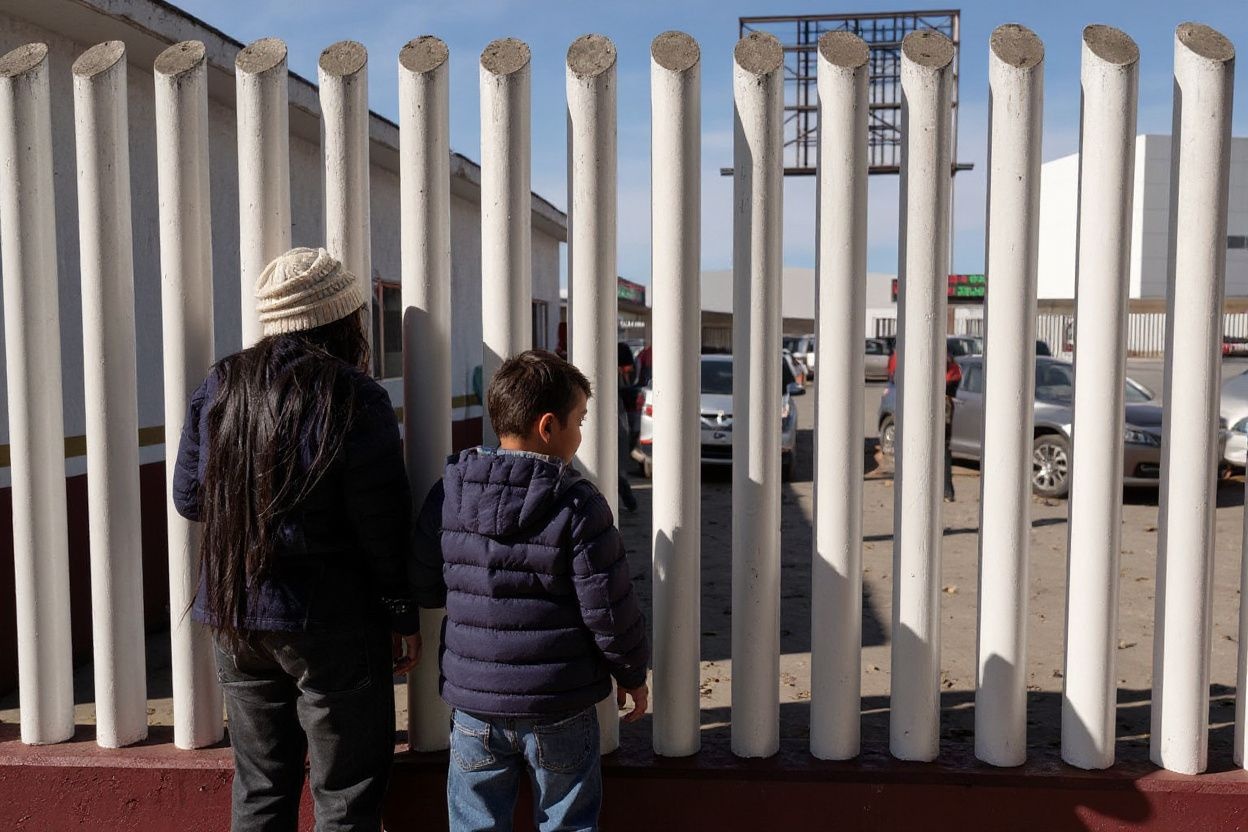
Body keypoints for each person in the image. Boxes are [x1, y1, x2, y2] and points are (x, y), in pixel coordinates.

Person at [173, 247, 422, 831]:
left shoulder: (221, 385)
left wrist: (257, 505)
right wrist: (400, 612)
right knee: (346, 795)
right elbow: (382, 524)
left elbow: (189, 498)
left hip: (236, 615)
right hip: (332, 623)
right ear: (343, 319)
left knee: (261, 786)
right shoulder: (356, 397)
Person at [413, 349, 649, 832]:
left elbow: (424, 583)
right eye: (578, 420)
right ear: (548, 427)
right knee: (568, 823)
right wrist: (630, 673)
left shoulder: (449, 492)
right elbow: (608, 608)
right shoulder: (578, 505)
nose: (581, 434)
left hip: (474, 706)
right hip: (558, 704)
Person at [884, 346, 960, 501]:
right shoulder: (952, 367)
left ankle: (934, 489)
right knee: (941, 450)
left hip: (937, 407)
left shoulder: (934, 367)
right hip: (945, 407)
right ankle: (946, 491)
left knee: (928, 448)